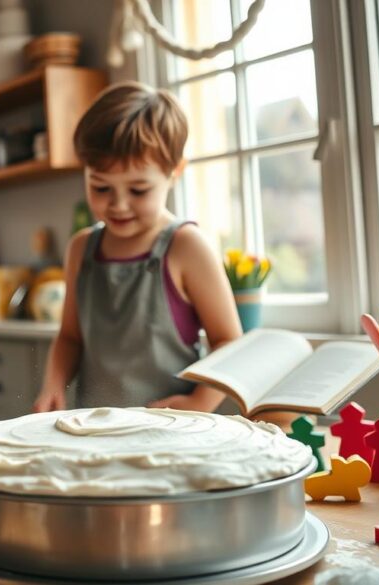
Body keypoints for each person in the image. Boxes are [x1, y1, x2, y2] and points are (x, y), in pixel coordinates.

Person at [32, 81, 240, 413]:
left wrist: (199, 402)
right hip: (97, 431)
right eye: (100, 187)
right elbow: (70, 337)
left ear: (175, 172)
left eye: (139, 190)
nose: (119, 205)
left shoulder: (186, 247)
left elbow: (229, 342)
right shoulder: (80, 248)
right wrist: (53, 385)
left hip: (172, 433)